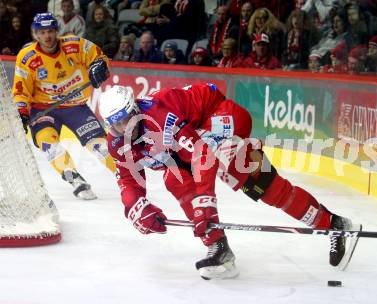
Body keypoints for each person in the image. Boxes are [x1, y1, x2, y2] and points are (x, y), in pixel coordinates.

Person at [98, 83, 358, 279]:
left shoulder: (159, 116)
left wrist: (205, 205)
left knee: (243, 171)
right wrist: (136, 208)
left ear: (134, 110)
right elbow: (128, 181)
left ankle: (333, 223)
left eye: (124, 121)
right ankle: (218, 248)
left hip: (218, 115)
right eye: (114, 125)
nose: (122, 129)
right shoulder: (117, 141)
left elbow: (201, 154)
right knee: (175, 179)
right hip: (190, 141)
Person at [12, 12, 116, 200]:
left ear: (56, 30)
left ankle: (125, 175)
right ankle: (74, 179)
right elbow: (20, 90)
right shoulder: (27, 57)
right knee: (49, 143)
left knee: (99, 145)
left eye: (50, 31)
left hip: (75, 107)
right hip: (42, 109)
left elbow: (100, 57)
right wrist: (21, 112)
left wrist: (99, 66)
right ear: (35, 34)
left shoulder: (76, 45)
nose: (47, 36)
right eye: (42, 32)